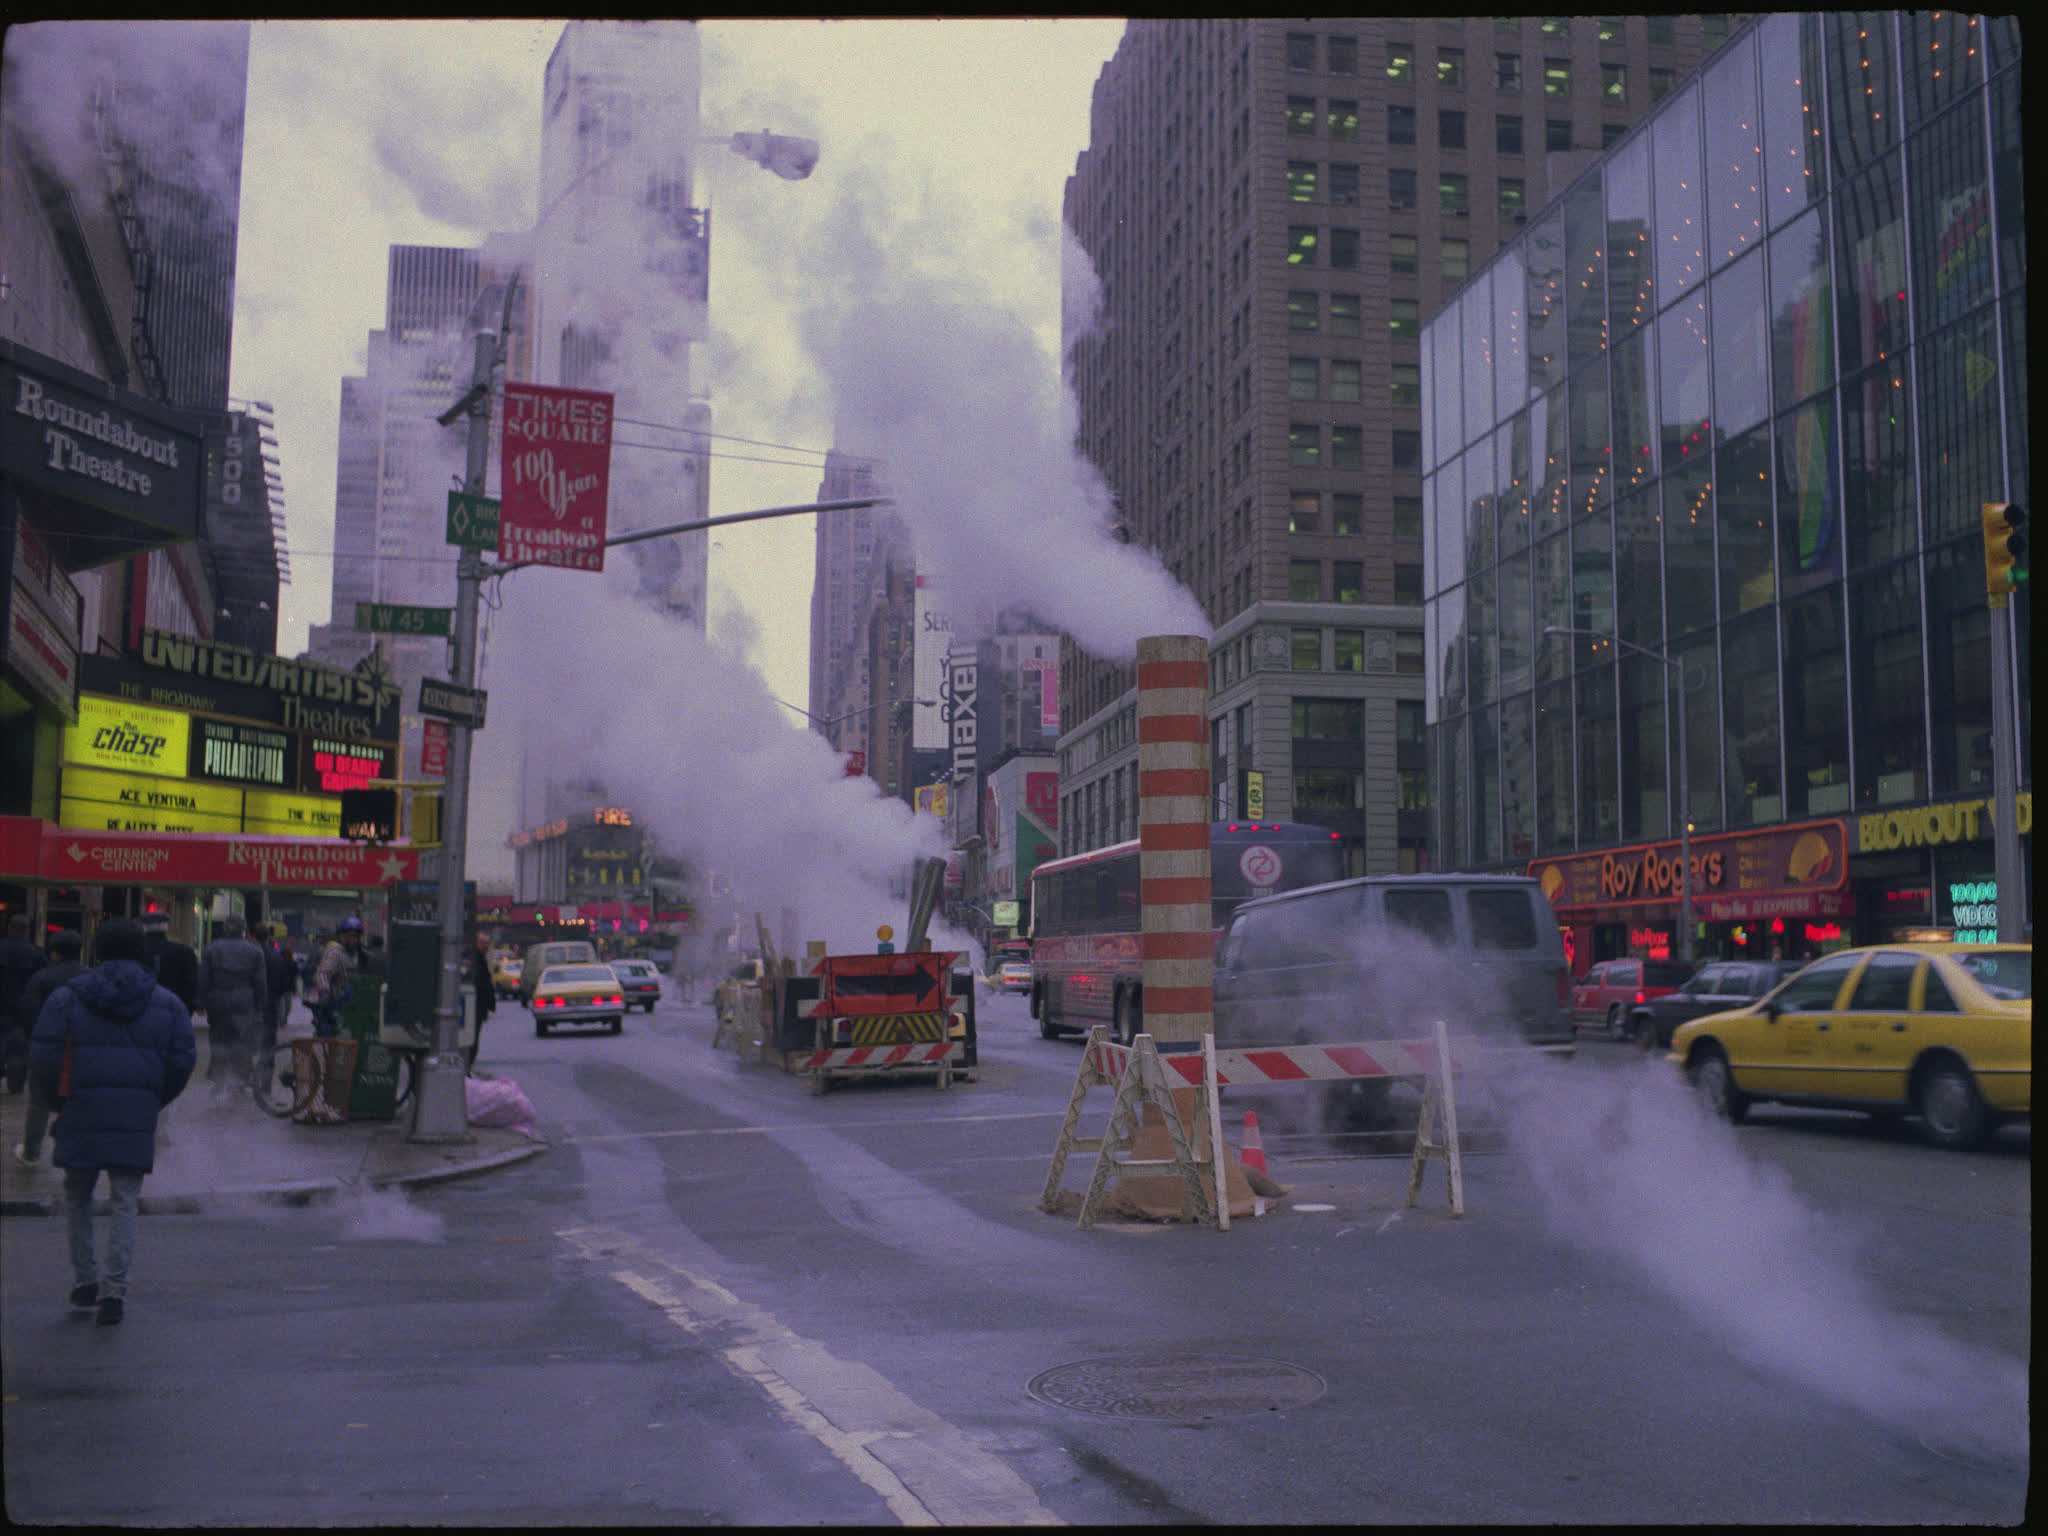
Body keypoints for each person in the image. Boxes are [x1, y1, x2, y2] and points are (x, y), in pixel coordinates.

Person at [28, 917, 196, 1326]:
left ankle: (85, 1280)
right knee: (124, 1201)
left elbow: (44, 1058)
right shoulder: (167, 1003)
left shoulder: (67, 999)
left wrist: (57, 1103)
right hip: (134, 1114)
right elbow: (181, 1061)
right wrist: (152, 1099)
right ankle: (114, 1292)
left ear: (96, 950)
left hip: (80, 1109)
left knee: (78, 1196)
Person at [13, 929, 85, 1165]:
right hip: (83, 1050)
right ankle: (75, 1152)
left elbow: (28, 1012)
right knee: (79, 1102)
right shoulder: (91, 978)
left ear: (54, 953)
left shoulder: (42, 978)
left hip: (48, 1049)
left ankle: (31, 1152)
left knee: (38, 1103)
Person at [197, 914, 267, 1099]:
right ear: (243, 930)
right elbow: (260, 981)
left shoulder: (212, 948)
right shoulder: (254, 950)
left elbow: (204, 977)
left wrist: (201, 1001)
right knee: (243, 1041)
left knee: (219, 1039)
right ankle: (240, 1081)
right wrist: (260, 1004)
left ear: (225, 928)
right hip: (244, 1000)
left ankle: (219, 1081)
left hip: (218, 999)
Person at [2, 913, 49, 1094]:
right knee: (18, 1047)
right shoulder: (36, 954)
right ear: (27, 931)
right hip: (23, 1009)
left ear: (9, 928)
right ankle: (15, 1081)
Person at [310, 916, 364, 1038]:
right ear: (341, 936)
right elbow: (323, 973)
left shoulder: (361, 955)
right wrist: (324, 991)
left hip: (357, 1008)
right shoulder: (336, 953)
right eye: (350, 936)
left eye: (356, 937)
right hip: (338, 1007)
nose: (354, 940)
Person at [139, 915, 200, 1015]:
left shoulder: (134, 951)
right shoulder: (184, 952)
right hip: (174, 1008)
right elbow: (192, 982)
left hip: (141, 1009)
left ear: (143, 927)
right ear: (167, 927)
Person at [467, 930, 496, 1072]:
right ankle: (467, 1068)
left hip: (478, 1006)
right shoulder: (475, 960)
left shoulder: (480, 959)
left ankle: (468, 1068)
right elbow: (482, 983)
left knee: (473, 1038)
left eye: (487, 944)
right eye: (482, 943)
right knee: (471, 1039)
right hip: (474, 1006)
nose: (485, 946)